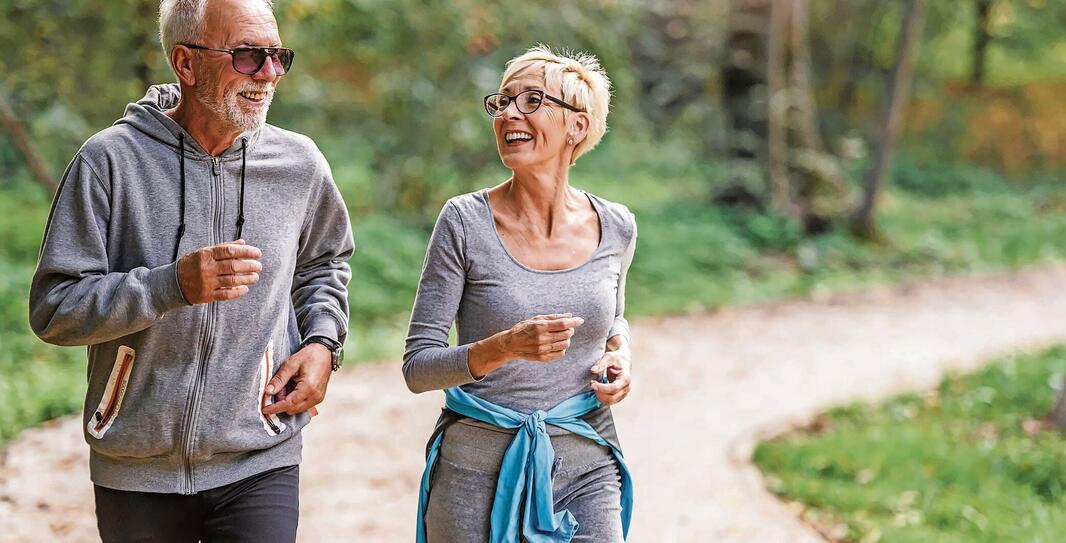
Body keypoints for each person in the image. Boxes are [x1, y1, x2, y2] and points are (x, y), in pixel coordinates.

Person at [27, 1, 353, 541]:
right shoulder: (108, 162)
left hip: (260, 455)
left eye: (278, 57)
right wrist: (169, 286)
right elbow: (54, 309)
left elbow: (324, 263)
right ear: (185, 61)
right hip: (136, 466)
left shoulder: (299, 165)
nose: (270, 75)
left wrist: (323, 344)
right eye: (249, 57)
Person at [403, 45, 636, 542]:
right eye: (503, 101)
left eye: (531, 100)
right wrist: (504, 347)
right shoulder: (464, 222)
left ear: (577, 125)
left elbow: (614, 321)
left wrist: (622, 357)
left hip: (588, 461)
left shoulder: (617, 226)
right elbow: (418, 368)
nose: (509, 113)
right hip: (473, 472)